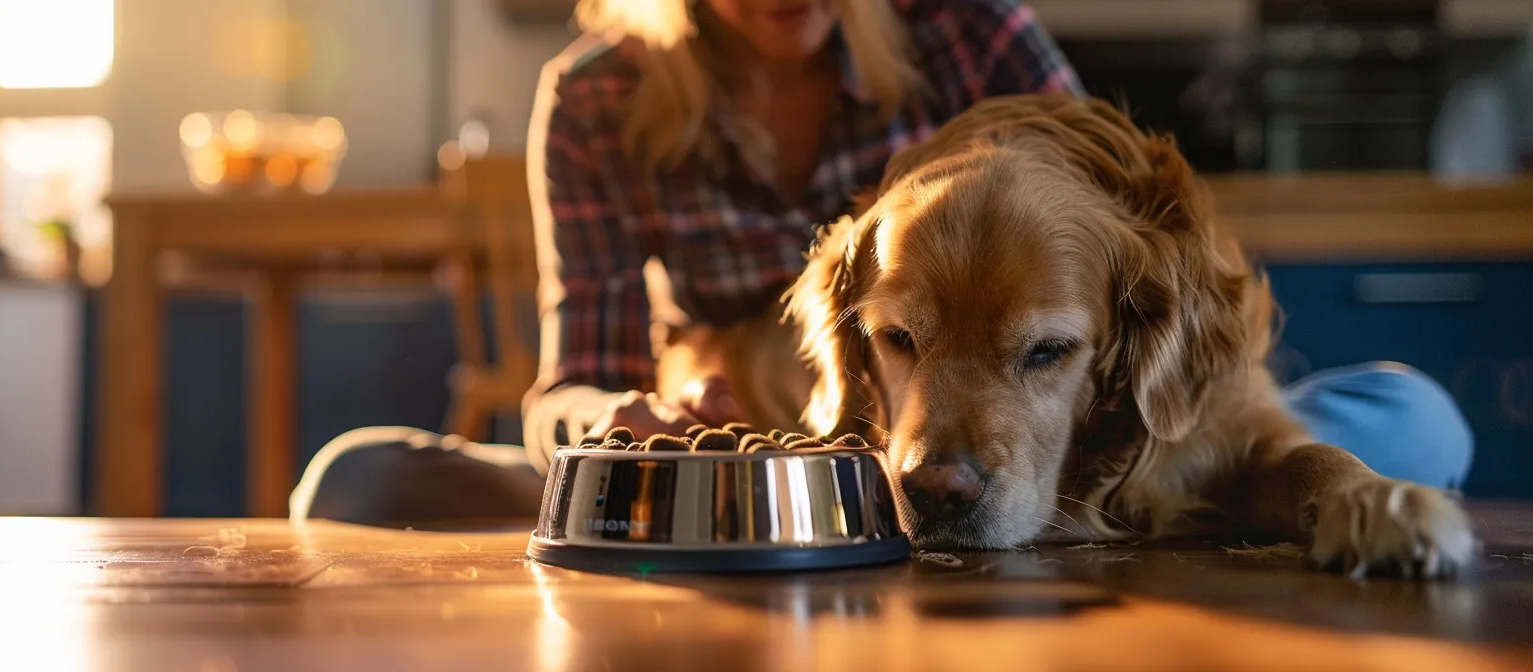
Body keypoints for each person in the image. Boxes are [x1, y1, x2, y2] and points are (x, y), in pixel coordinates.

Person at [293, 0, 1470, 528]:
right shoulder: (595, 96)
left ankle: (1158, 497)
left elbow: (1111, 258)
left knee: (1418, 420)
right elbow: (568, 387)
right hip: (749, 464)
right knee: (355, 482)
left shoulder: (968, 28)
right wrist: (627, 420)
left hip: (1056, 448)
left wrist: (1096, 387)